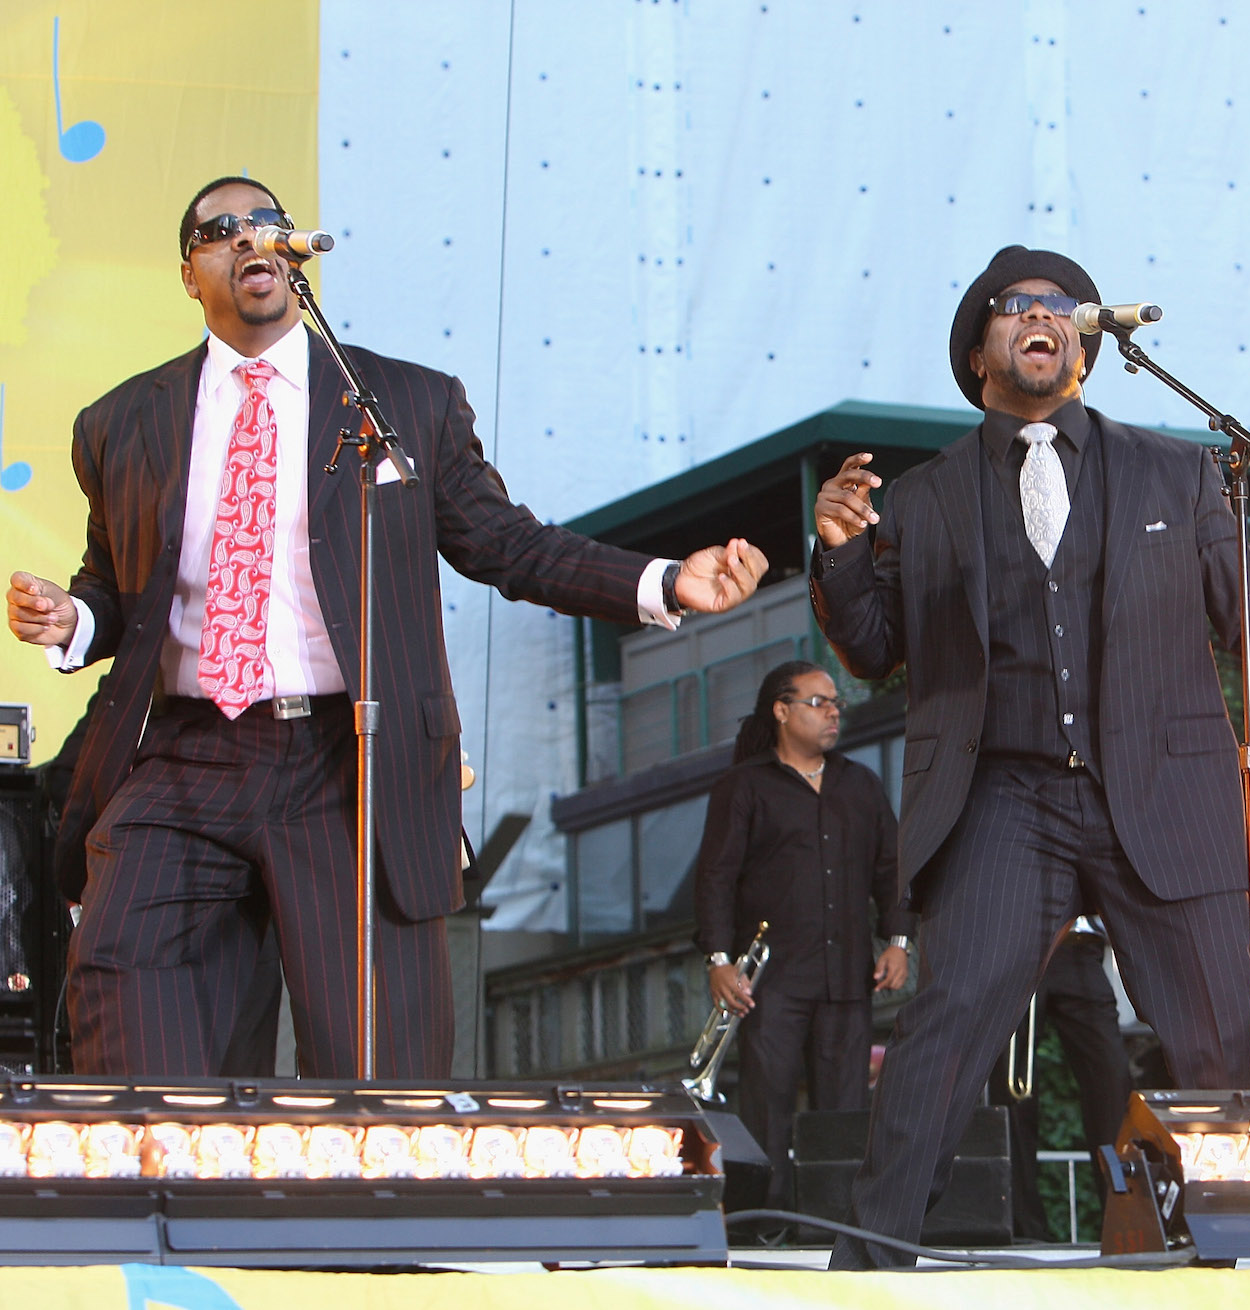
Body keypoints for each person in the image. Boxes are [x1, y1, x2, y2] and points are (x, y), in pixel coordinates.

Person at [5, 176, 768, 1079]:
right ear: (189, 274)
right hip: (186, 752)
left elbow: (507, 545)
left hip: (344, 757)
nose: (249, 237)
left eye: (267, 223)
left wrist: (667, 580)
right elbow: (118, 590)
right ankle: (166, 1195)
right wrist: (73, 615)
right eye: (221, 230)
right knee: (125, 978)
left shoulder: (401, 405)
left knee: (371, 1055)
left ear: (296, 254)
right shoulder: (122, 422)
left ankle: (365, 1214)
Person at [809, 245, 1250, 1267]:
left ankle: (1237, 1263)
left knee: (1218, 1044)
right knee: (947, 1025)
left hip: (1160, 784)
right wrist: (842, 554)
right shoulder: (928, 498)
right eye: (1016, 306)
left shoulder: (1175, 468)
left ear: (1085, 344)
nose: (1043, 315)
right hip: (999, 795)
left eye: (1062, 306)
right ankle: (866, 1260)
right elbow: (875, 647)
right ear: (979, 351)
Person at [693, 661, 912, 1209]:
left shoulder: (858, 783)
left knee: (843, 1111)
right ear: (782, 710)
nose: (833, 711)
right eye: (818, 702)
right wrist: (719, 959)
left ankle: (835, 1219)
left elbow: (891, 868)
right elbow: (715, 875)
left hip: (847, 977)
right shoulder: (743, 786)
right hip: (773, 981)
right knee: (767, 1103)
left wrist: (898, 940)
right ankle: (762, 1219)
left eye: (836, 702)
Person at [986, 917, 1133, 1242]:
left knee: (1111, 1083)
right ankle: (1022, 1228)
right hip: (1019, 948)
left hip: (1079, 949)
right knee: (1014, 1089)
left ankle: (1124, 1221)